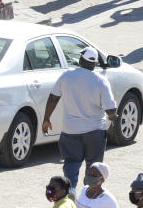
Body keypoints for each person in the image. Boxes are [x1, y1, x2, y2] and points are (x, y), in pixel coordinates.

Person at [41, 46, 116, 188]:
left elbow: (53, 98)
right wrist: (113, 116)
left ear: (81, 60)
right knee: (93, 168)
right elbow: (111, 109)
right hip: (95, 132)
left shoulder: (66, 76)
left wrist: (46, 119)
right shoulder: (101, 80)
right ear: (94, 64)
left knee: (71, 165)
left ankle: (70, 196)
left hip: (70, 132)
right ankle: (89, 198)